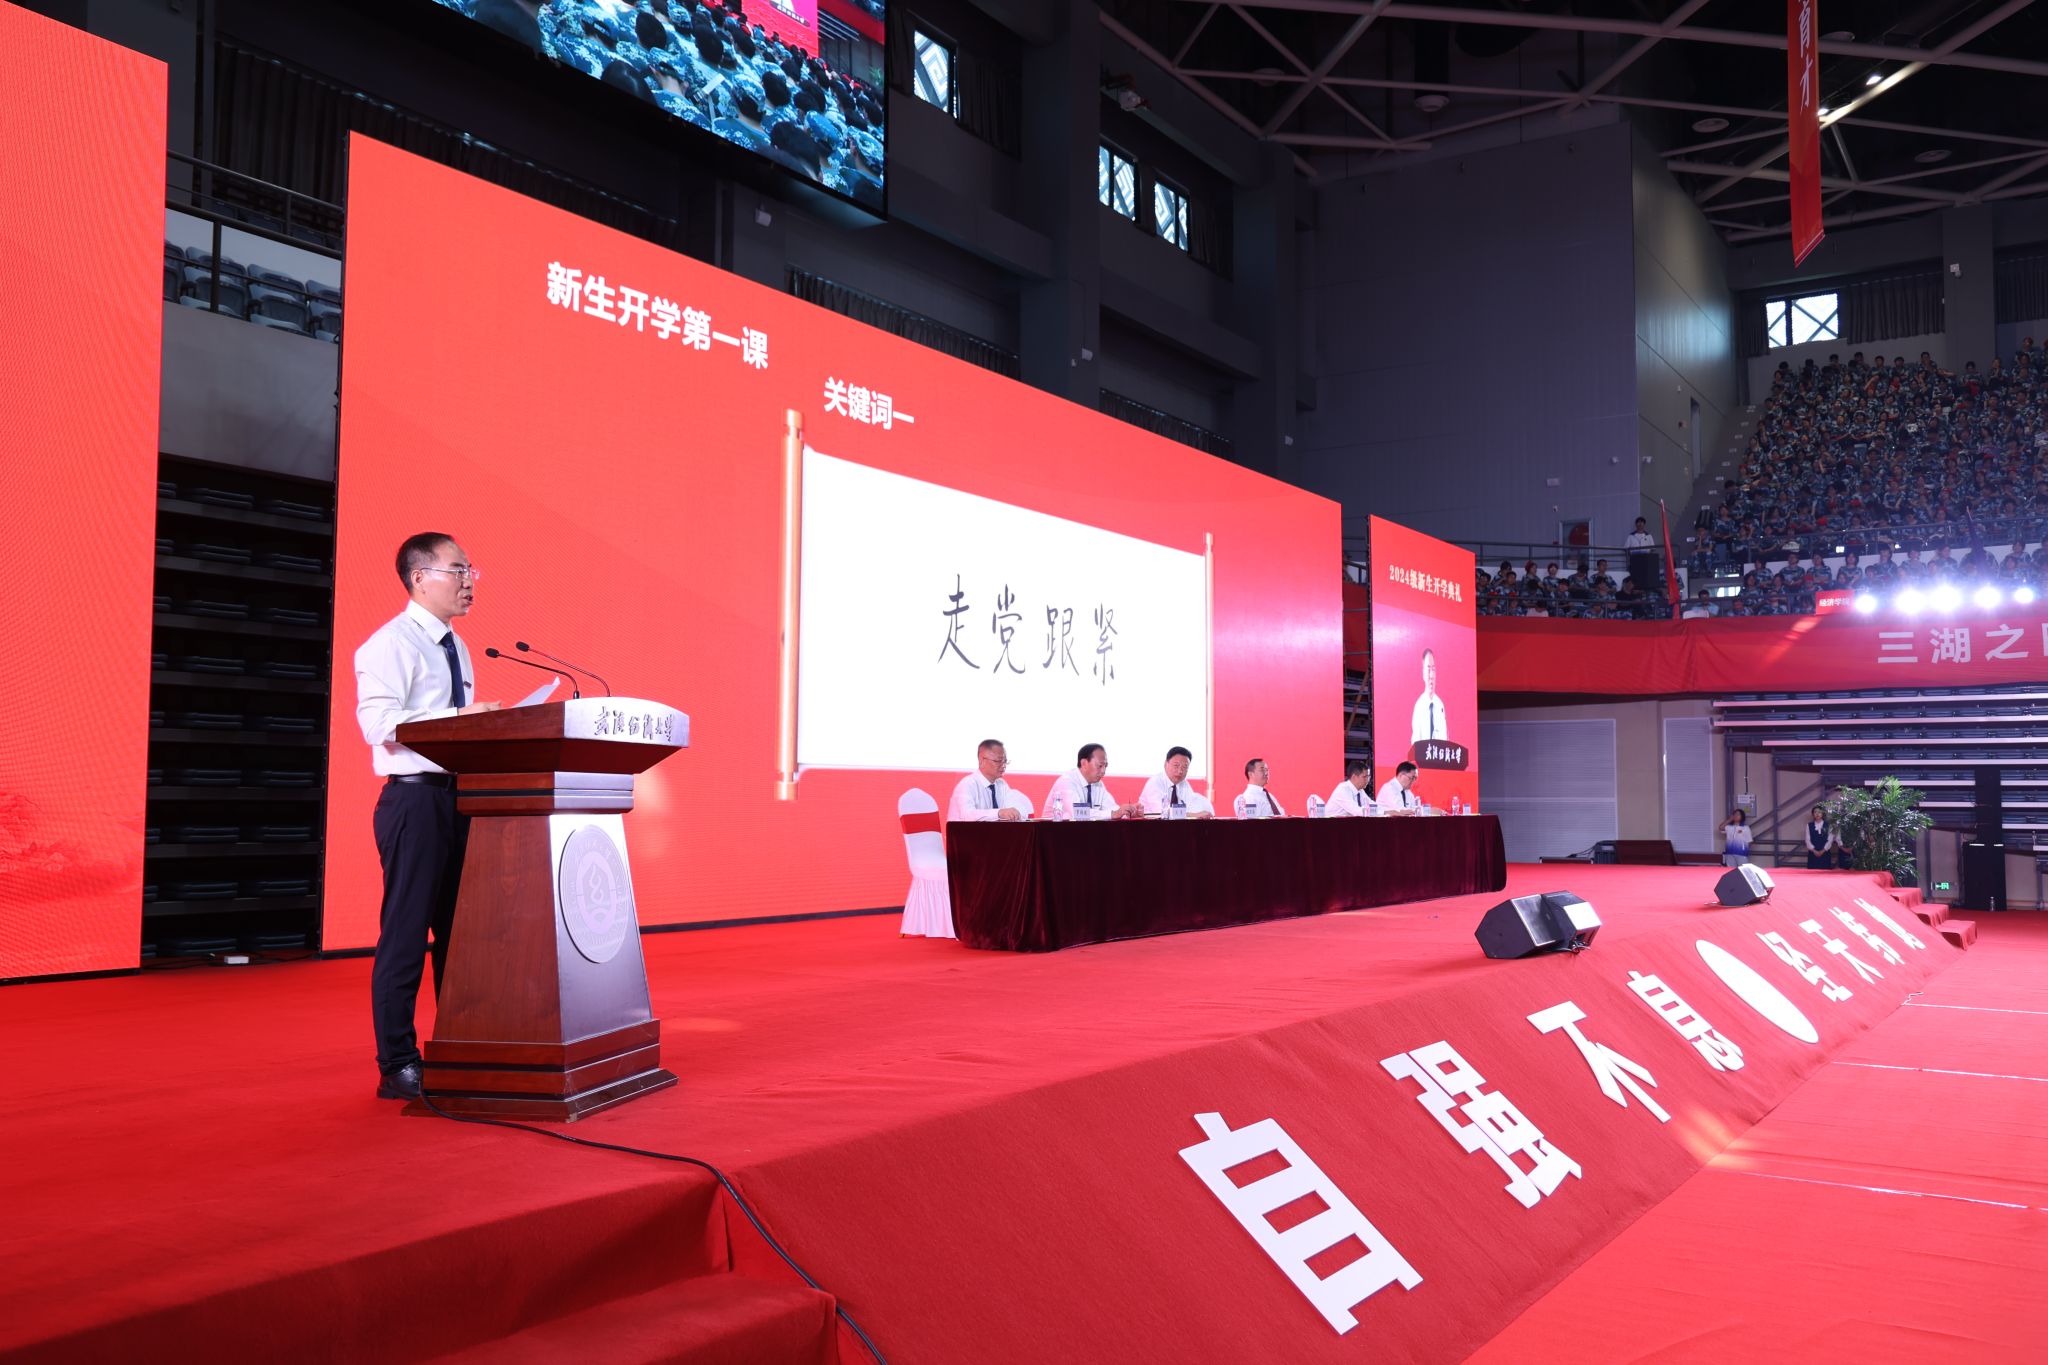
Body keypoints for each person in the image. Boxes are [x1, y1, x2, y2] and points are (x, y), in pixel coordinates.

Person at [355, 532, 500, 1101]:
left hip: (459, 798)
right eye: (457, 570)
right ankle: (397, 1064)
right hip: (415, 802)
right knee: (407, 932)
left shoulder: (456, 645)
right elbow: (377, 725)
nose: (469, 581)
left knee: (460, 935)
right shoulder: (390, 644)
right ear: (419, 578)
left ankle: (459, 1045)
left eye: (471, 570)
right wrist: (463, 717)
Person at [1042, 742, 1138, 820]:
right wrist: (1114, 813)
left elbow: (1112, 809)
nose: (1103, 771)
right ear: (1084, 763)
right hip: (1052, 833)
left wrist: (1128, 812)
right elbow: (1078, 813)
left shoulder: (1099, 784)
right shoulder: (1066, 781)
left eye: (1105, 766)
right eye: (1100, 766)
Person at [949, 739, 1027, 823]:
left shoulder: (1001, 784)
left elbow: (1017, 810)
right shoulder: (967, 784)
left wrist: (1015, 813)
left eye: (1005, 761)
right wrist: (998, 813)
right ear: (981, 760)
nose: (1003, 765)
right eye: (998, 761)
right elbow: (966, 816)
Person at [1140, 746, 1214, 817]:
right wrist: (1196, 815)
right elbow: (1164, 813)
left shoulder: (1184, 784)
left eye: (1185, 767)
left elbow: (1191, 808)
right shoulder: (1155, 782)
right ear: (1165, 764)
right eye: (1176, 765)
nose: (1180, 771)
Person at [1410, 648, 1448, 744]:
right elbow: (1415, 742)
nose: (1431, 675)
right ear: (1423, 673)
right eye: (1428, 669)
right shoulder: (1419, 706)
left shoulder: (1440, 705)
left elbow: (1444, 738)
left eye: (1433, 670)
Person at [1804, 803, 1842, 869]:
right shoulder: (1809, 825)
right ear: (1813, 814)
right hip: (1813, 854)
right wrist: (1814, 851)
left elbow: (1830, 840)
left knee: (1825, 873)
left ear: (1822, 814)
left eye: (1819, 812)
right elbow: (1807, 840)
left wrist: (1823, 851)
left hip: (1825, 854)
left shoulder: (1829, 825)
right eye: (1815, 812)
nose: (1817, 814)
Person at [1625, 516, 1658, 590]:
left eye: (1641, 523)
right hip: (1634, 559)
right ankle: (1635, 589)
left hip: (1646, 559)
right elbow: (1626, 548)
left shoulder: (1649, 536)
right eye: (1638, 523)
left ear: (1644, 524)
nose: (1640, 524)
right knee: (1635, 575)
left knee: (1645, 575)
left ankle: (1644, 590)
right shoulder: (1631, 536)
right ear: (1636, 524)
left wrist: (1648, 555)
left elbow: (1652, 548)